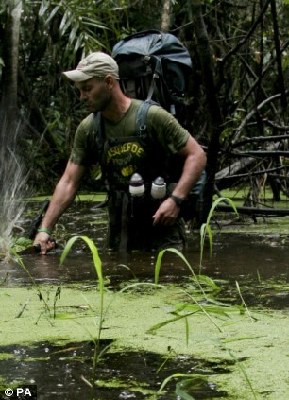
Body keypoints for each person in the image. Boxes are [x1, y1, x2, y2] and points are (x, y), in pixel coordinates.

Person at [33, 52, 206, 254]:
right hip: (120, 229)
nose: (82, 97)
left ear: (108, 82)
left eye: (87, 89)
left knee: (169, 280)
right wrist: (45, 230)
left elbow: (197, 155)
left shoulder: (152, 117)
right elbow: (69, 181)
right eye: (79, 91)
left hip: (162, 225)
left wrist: (176, 200)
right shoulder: (88, 129)